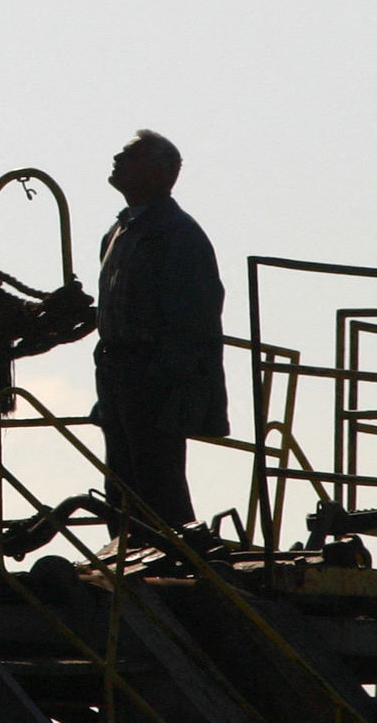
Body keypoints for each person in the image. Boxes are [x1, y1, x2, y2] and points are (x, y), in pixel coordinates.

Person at [94, 128, 225, 534]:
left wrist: (167, 382)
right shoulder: (119, 233)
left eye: (130, 155)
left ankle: (177, 553)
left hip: (153, 376)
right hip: (118, 373)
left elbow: (195, 316)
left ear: (158, 171)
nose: (117, 158)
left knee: (157, 478)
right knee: (121, 478)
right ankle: (125, 551)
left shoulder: (177, 234)